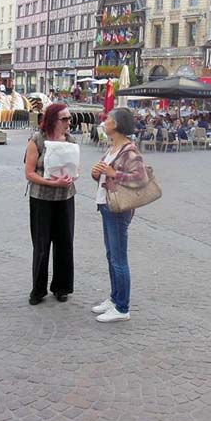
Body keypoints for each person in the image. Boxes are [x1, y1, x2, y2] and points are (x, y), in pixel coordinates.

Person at [90, 108, 149, 323]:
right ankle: (115, 299)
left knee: (118, 259)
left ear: (117, 124)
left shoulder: (129, 151)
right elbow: (103, 174)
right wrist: (96, 173)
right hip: (106, 205)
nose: (104, 121)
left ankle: (122, 307)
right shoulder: (112, 147)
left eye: (108, 119)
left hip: (118, 209)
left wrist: (114, 173)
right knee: (111, 256)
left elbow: (141, 179)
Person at [24, 103, 77, 306]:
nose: (69, 122)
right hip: (41, 200)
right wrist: (51, 182)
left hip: (65, 198)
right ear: (53, 119)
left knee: (65, 243)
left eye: (70, 118)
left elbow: (75, 169)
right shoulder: (37, 140)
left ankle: (61, 287)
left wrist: (72, 177)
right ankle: (38, 290)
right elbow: (29, 173)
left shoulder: (71, 141)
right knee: (41, 245)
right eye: (65, 119)